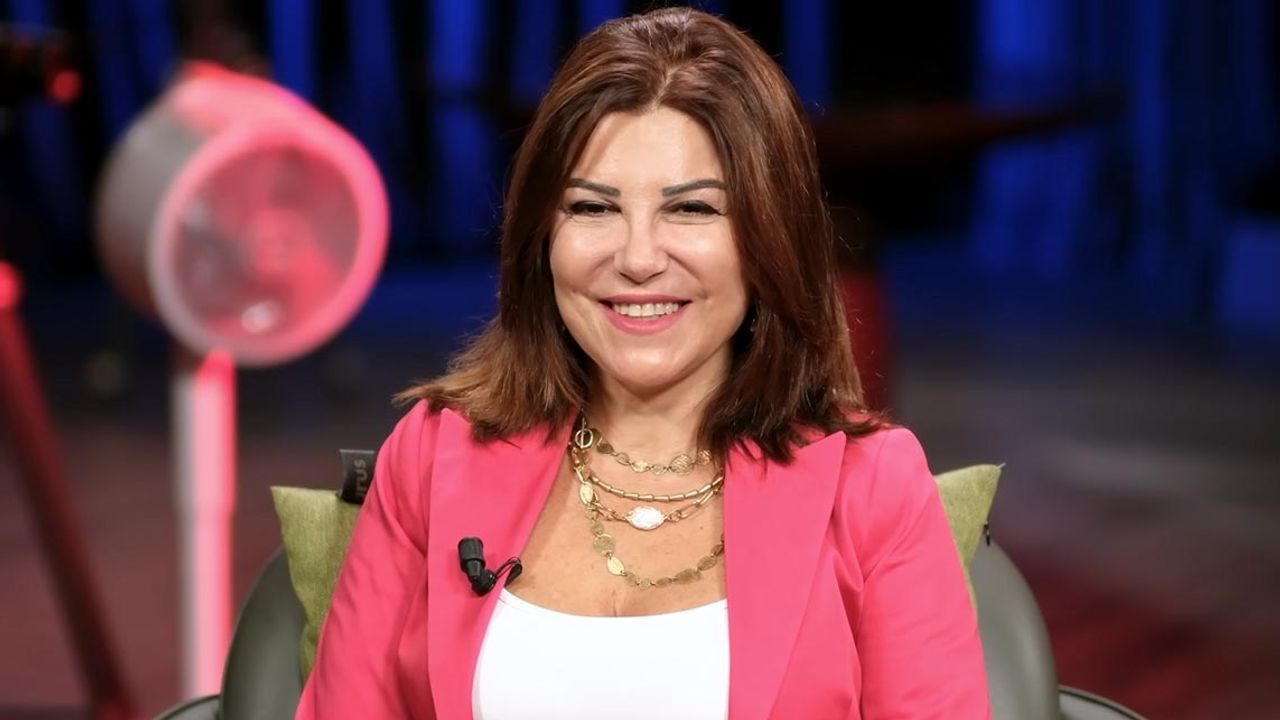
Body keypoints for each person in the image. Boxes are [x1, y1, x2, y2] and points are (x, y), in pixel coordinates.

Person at [296, 7, 989, 719]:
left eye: (692, 210)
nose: (637, 258)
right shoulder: (432, 454)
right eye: (593, 209)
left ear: (770, 237)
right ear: (542, 236)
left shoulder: (871, 488)